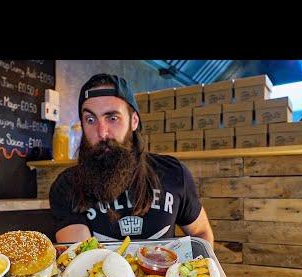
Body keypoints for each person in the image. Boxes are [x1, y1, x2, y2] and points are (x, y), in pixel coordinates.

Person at [49, 73, 214, 246]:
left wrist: (194, 269)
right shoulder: (67, 186)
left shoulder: (173, 173)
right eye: (90, 119)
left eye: (112, 118)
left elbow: (200, 233)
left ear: (134, 121)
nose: (102, 132)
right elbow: (81, 259)